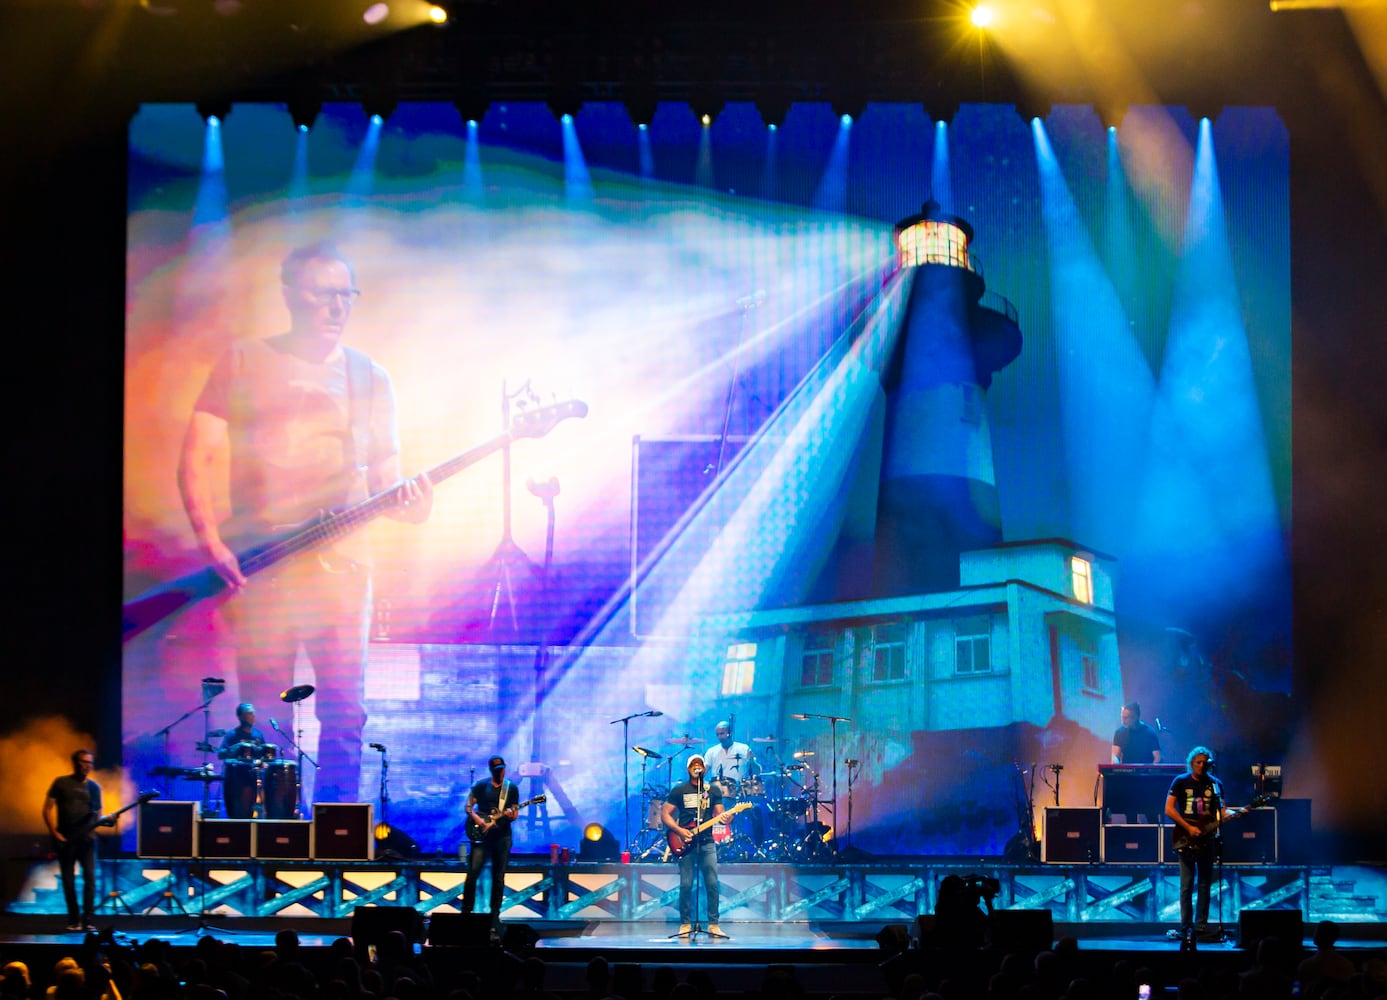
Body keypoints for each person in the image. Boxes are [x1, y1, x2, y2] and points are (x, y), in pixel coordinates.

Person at [178, 241, 433, 807]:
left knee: (344, 710)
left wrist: (415, 502)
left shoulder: (371, 378)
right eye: (324, 295)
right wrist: (211, 542)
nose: (337, 308)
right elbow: (194, 458)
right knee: (266, 712)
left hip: (342, 572)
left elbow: (389, 478)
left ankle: (334, 838)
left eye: (347, 295)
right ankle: (268, 837)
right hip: (264, 569)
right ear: (291, 295)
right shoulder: (243, 360)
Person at [1165, 745, 1235, 945]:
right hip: (1185, 837)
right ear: (1191, 763)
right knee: (1186, 886)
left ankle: (1200, 926)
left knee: (1205, 885)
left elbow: (1222, 811)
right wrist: (1188, 826)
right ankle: (1185, 927)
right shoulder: (1180, 781)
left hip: (1208, 838)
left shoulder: (1215, 784)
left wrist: (1234, 814)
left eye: (1205, 763)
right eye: (1198, 762)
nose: (1202, 766)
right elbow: (1169, 809)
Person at [42, 749, 113, 932]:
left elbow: (98, 815)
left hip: (87, 841)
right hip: (65, 839)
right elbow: (47, 809)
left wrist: (106, 822)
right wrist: (54, 833)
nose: (86, 766)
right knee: (68, 880)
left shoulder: (94, 788)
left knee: (90, 878)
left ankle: (87, 919)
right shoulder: (61, 783)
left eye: (89, 762)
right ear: (75, 762)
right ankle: (73, 919)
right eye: (83, 762)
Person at [662, 753, 725, 938]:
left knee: (712, 883)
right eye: (693, 765)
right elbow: (665, 814)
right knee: (686, 884)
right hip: (685, 842)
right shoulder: (679, 790)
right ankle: (685, 924)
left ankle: (713, 924)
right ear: (689, 768)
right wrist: (679, 830)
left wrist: (728, 817)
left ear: (704, 769)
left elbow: (721, 813)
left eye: (700, 765)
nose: (697, 767)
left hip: (706, 843)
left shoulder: (713, 791)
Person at [461, 756, 519, 936]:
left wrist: (510, 814)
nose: (500, 772)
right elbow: (469, 806)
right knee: (473, 874)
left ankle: (495, 914)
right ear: (491, 771)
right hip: (482, 836)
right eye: (497, 770)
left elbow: (515, 813)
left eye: (502, 769)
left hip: (502, 836)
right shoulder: (480, 786)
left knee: (499, 877)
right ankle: (466, 912)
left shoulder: (511, 788)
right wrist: (479, 821)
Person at [219, 701, 271, 819]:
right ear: (241, 716)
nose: (253, 716)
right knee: (237, 814)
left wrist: (263, 763)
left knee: (250, 813)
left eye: (253, 713)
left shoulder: (258, 735)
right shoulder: (232, 735)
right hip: (235, 780)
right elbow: (221, 754)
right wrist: (235, 748)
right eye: (250, 713)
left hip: (252, 780)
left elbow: (264, 756)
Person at [702, 720, 757, 791]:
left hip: (739, 791)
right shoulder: (711, 751)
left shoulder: (744, 748)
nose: (719, 737)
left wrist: (752, 761)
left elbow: (757, 772)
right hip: (717, 792)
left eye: (722, 734)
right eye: (717, 734)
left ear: (730, 733)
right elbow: (703, 773)